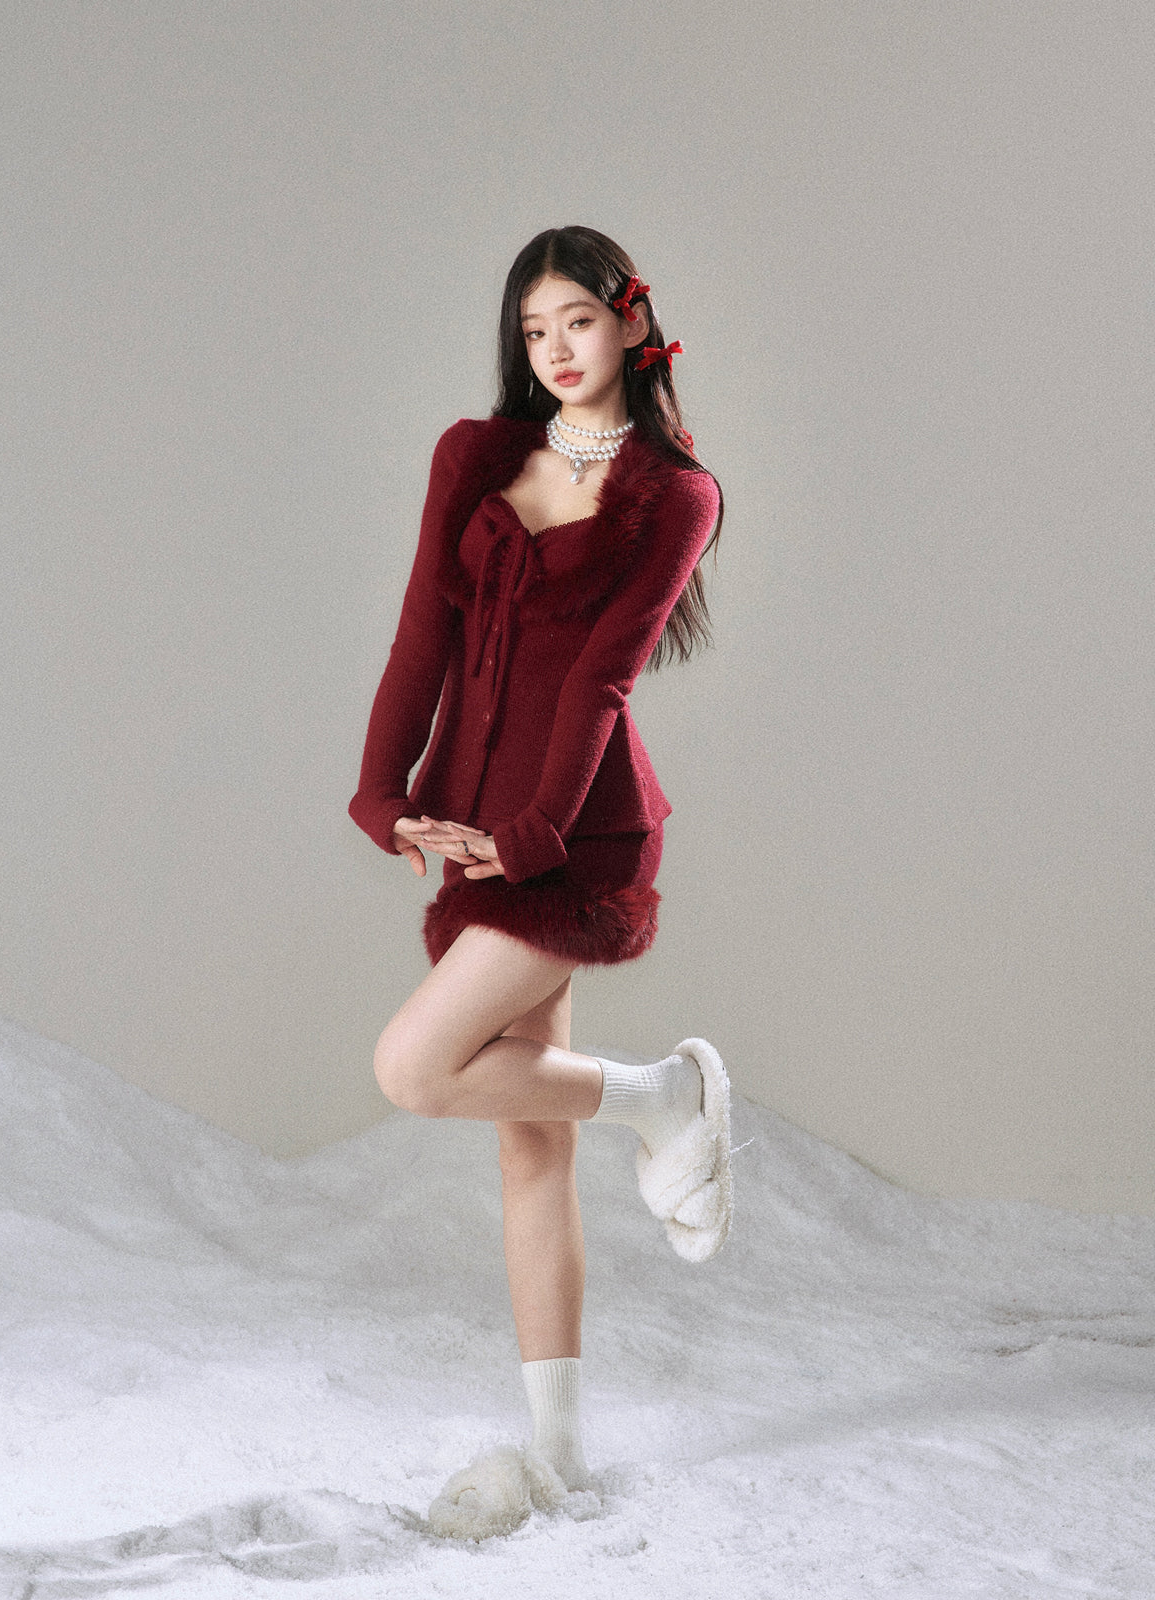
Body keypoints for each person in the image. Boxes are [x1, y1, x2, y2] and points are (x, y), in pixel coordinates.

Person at [349, 225, 733, 1538]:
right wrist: (381, 788)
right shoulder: (475, 457)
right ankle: (557, 1453)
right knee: (530, 1142)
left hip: (577, 833)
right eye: (534, 330)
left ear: (629, 322)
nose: (558, 349)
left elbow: (603, 681)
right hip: (474, 826)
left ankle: (665, 1096)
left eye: (578, 320)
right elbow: (422, 629)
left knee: (415, 1068)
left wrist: (530, 835)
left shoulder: (675, 495)